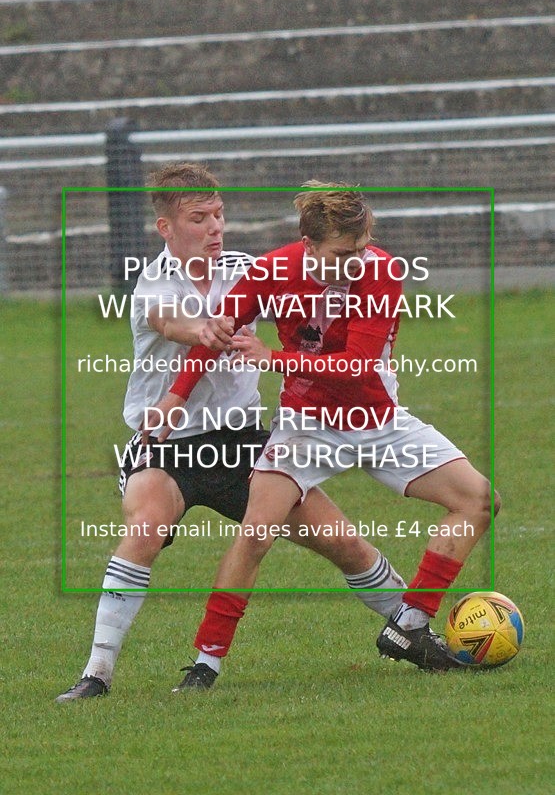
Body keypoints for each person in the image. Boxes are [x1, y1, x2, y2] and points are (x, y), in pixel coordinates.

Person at [56, 164, 407, 701]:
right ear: (166, 227)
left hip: (243, 442)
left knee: (343, 542)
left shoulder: (247, 268)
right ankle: (96, 673)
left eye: (219, 214)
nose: (215, 227)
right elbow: (170, 322)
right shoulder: (153, 281)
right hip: (168, 447)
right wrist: (205, 328)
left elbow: (315, 285)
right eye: (199, 218)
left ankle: (415, 630)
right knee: (147, 526)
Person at [157, 181, 500, 684]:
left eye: (362, 248)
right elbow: (216, 334)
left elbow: (358, 366)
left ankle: (410, 622)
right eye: (343, 253)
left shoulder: (381, 272)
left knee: (479, 500)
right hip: (306, 427)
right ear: (309, 244)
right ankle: (206, 663)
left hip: (377, 420)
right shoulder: (271, 271)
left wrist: (272, 358)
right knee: (256, 534)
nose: (356, 262)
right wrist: (175, 396)